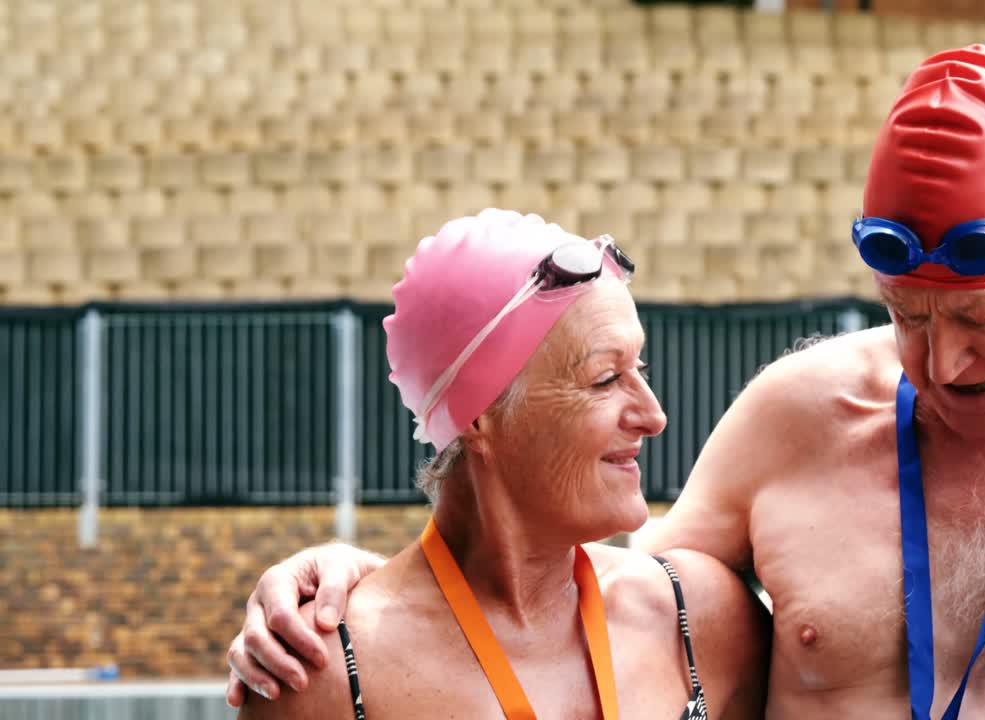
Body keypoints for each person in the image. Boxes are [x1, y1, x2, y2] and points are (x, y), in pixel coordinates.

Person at [227, 46, 985, 718]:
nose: (939, 362)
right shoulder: (794, 419)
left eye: (980, 317)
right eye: (904, 316)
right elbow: (581, 615)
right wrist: (361, 584)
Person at [233, 209, 769, 719]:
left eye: (641, 367)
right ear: (478, 418)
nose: (654, 416)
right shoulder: (326, 674)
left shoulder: (698, 620)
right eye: (605, 379)